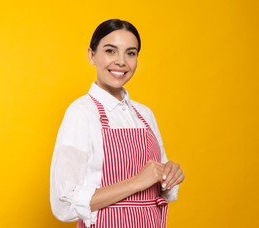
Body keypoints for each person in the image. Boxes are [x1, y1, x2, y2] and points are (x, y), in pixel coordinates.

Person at [50, 19, 185, 228]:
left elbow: (158, 182)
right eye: (111, 51)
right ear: (91, 55)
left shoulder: (145, 115)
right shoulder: (81, 113)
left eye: (130, 53)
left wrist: (169, 175)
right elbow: (64, 202)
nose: (121, 61)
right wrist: (135, 183)